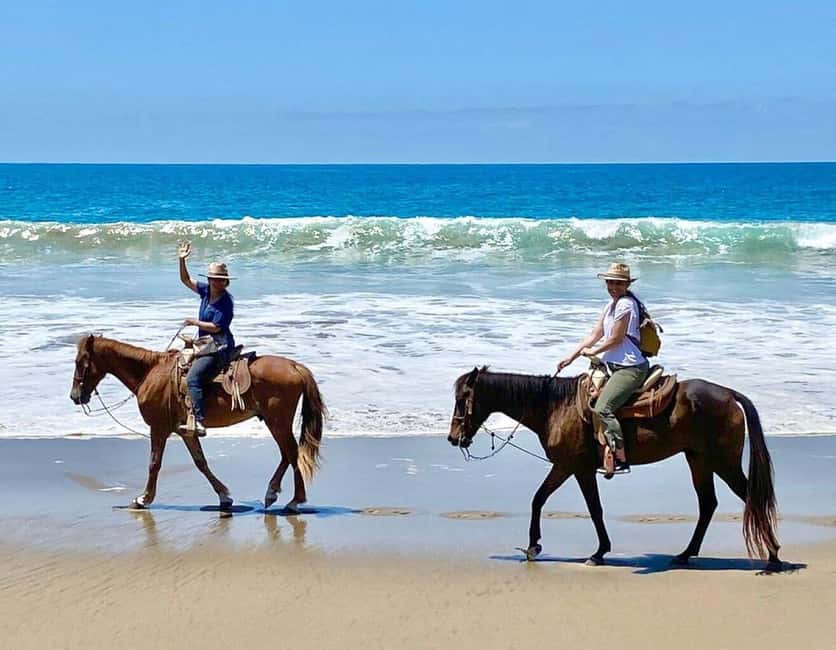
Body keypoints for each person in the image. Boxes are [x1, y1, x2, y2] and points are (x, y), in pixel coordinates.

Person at [556, 262, 649, 473]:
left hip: (629, 367)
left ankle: (620, 458)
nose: (613, 286)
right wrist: (571, 357)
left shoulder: (626, 305)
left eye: (618, 283)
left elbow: (616, 338)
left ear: (627, 285)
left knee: (603, 408)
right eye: (610, 282)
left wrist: (594, 351)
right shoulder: (610, 305)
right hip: (611, 365)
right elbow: (594, 335)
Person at [177, 242, 236, 436]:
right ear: (209, 280)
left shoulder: (226, 302)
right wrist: (182, 260)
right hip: (205, 344)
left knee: (193, 378)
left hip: (219, 346)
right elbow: (186, 280)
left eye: (221, 280)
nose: (217, 283)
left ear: (226, 282)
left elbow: (216, 327)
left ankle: (199, 420)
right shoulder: (205, 291)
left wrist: (194, 322)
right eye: (214, 279)